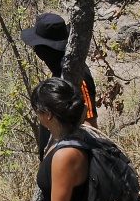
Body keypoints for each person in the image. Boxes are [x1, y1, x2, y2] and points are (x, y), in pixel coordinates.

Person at [20, 13, 99, 157]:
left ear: (47, 49)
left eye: (37, 47)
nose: (36, 51)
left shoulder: (78, 75)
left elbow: (90, 126)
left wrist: (62, 157)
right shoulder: (60, 71)